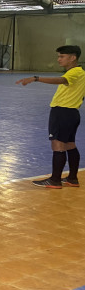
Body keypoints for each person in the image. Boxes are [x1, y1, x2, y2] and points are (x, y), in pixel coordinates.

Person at [16, 45, 85, 188]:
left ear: (73, 58)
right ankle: (72, 178)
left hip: (62, 112)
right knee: (70, 145)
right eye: (58, 56)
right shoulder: (80, 73)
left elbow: (60, 80)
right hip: (72, 114)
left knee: (57, 145)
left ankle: (55, 180)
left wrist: (35, 78)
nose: (59, 59)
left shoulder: (74, 73)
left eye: (62, 56)